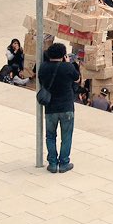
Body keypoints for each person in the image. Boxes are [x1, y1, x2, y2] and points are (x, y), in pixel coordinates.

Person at [38, 43, 79, 173]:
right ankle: (64, 163)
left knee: (50, 135)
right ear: (63, 55)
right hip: (67, 107)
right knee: (66, 136)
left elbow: (40, 80)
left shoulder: (43, 67)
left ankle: (52, 163)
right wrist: (68, 63)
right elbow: (77, 79)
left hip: (50, 108)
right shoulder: (67, 67)